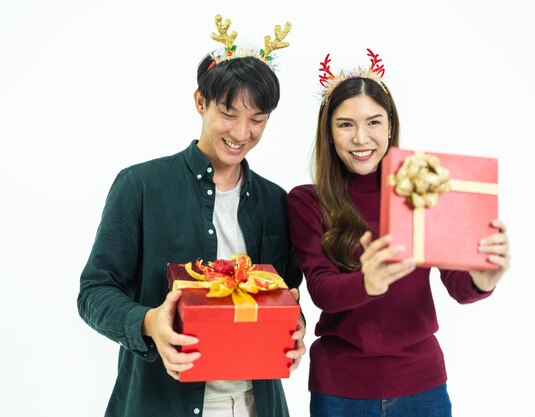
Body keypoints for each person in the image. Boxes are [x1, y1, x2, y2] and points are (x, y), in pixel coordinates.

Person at [78, 15, 305, 417]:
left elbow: (286, 293)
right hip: (161, 404)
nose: (241, 132)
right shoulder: (140, 186)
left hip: (257, 403)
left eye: (258, 120)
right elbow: (94, 292)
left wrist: (295, 327)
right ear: (200, 102)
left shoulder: (275, 201)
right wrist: (149, 321)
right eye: (229, 113)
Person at [287, 50, 511, 417]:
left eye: (373, 122)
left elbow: (458, 286)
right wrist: (368, 282)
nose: (361, 138)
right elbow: (322, 290)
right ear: (328, 132)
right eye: (345, 125)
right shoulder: (308, 201)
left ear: (390, 125)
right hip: (340, 391)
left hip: (422, 386)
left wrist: (482, 279)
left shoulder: (419, 186)